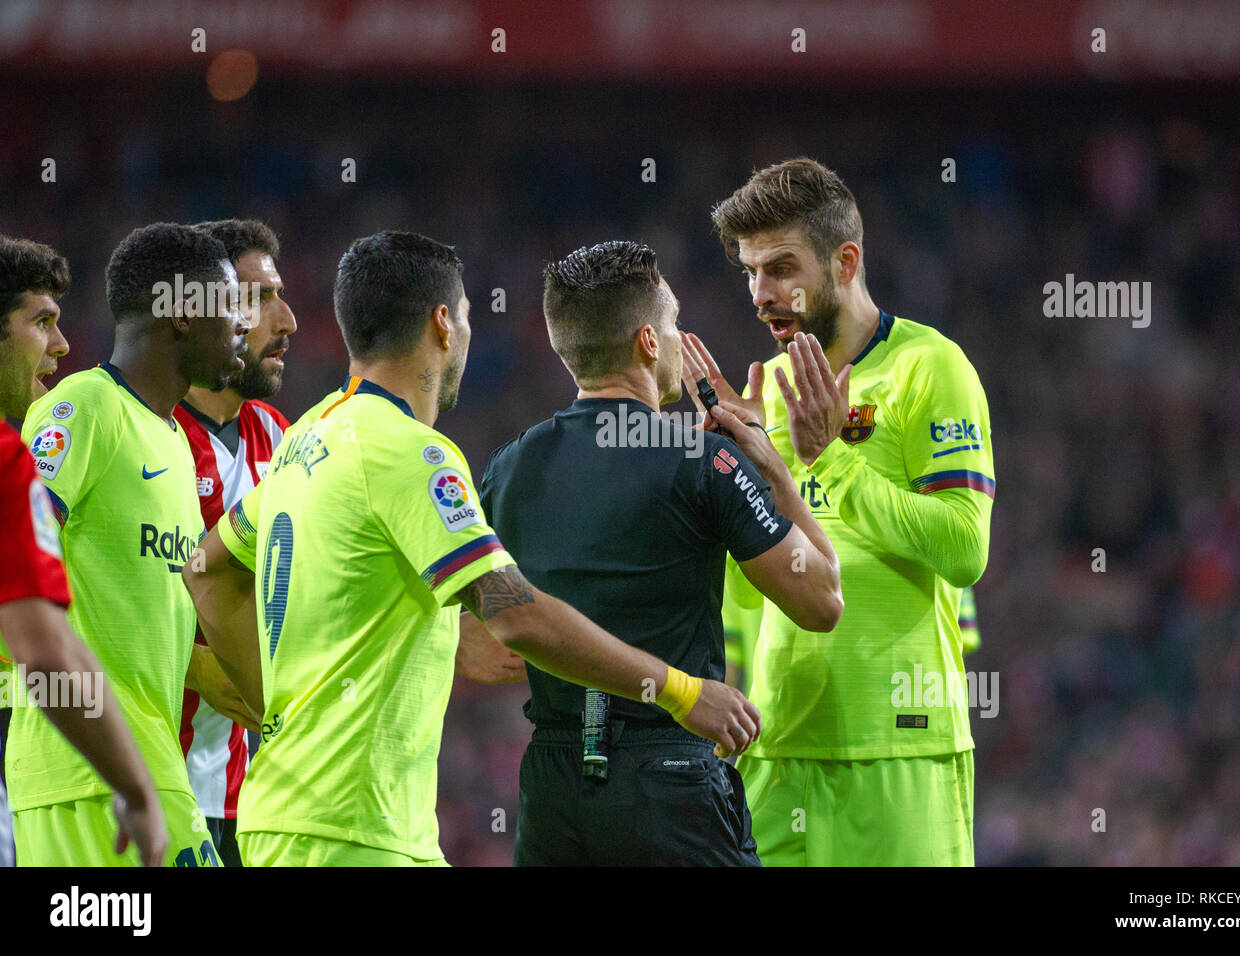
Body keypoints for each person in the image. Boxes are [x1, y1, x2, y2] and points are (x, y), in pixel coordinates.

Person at [183, 231, 760, 867]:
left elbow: (207, 569)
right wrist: (681, 691)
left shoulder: (308, 436)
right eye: (464, 317)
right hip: (357, 832)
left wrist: (272, 711)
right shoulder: (412, 453)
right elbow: (516, 613)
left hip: (286, 814)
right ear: (441, 324)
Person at [479, 241, 841, 866]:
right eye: (673, 327)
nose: (680, 342)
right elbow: (821, 600)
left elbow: (484, 649)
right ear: (649, 341)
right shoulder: (705, 460)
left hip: (552, 786)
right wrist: (772, 466)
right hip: (669, 776)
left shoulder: (505, 470)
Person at [696, 157, 996, 866]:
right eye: (749, 272)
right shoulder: (765, 389)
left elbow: (964, 549)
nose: (760, 294)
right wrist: (736, 482)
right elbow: (749, 592)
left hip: (896, 747)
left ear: (845, 261)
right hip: (779, 746)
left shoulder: (931, 367)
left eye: (780, 269)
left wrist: (829, 460)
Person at [11, 224, 250, 866]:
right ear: (178, 314)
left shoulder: (170, 438)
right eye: (230, 309)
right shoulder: (84, 407)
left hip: (143, 763)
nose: (242, 329)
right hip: (87, 774)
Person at [0, 235, 167, 867]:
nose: (62, 346)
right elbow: (45, 652)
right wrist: (135, 785)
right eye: (41, 322)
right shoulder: (9, 466)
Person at [174, 218, 297, 867]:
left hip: (255, 801)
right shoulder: (135, 432)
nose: (289, 320)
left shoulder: (279, 437)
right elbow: (51, 595)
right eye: (260, 298)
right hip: (145, 787)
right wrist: (183, 663)